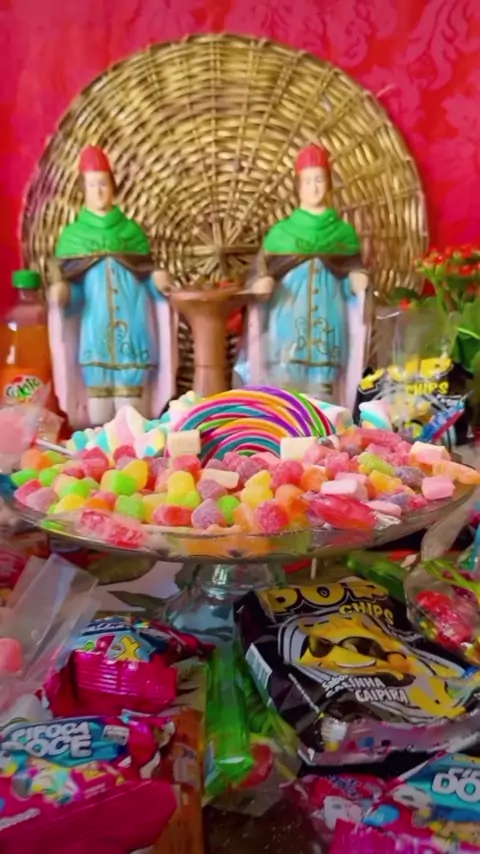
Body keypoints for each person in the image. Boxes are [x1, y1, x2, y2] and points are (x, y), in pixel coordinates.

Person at [234, 143, 369, 409]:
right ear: (298, 186)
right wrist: (261, 281)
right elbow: (260, 271)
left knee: (324, 401)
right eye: (308, 181)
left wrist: (357, 276)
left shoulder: (343, 234)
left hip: (328, 328)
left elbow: (353, 268)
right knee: (284, 397)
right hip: (285, 327)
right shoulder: (282, 233)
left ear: (329, 184)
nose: (314, 187)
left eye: (319, 180)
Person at [48, 145, 174, 427]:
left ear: (113, 186)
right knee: (99, 415)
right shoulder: (74, 238)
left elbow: (146, 277)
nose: (99, 191)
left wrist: (157, 281)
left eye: (103, 183)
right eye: (92, 184)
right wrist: (65, 294)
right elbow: (76, 294)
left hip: (134, 333)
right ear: (83, 189)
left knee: (134, 416)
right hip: (95, 336)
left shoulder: (131, 233)